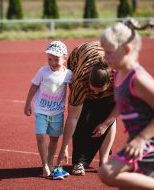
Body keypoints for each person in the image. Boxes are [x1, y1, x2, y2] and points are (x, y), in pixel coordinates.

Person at [98, 18, 154, 189]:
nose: (105, 58)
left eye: (109, 52)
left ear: (127, 49)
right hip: (136, 142)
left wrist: (141, 139)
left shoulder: (138, 79)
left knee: (107, 172)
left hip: (148, 143)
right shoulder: (119, 74)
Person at [57, 41, 118, 176]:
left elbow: (121, 105)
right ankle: (79, 161)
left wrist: (105, 124)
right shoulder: (80, 80)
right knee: (82, 115)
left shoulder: (119, 77)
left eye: (100, 91)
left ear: (109, 82)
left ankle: (104, 160)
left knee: (107, 114)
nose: (96, 94)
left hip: (107, 55)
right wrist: (64, 147)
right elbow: (73, 118)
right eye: (93, 89)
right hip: (80, 55)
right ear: (88, 82)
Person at [24, 41, 72, 179]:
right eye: (49, 59)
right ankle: (45, 165)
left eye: (56, 59)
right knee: (40, 136)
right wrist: (27, 104)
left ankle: (50, 162)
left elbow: (74, 90)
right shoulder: (43, 71)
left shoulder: (68, 74)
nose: (52, 62)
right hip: (41, 111)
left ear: (64, 58)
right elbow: (33, 86)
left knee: (54, 139)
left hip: (57, 113)